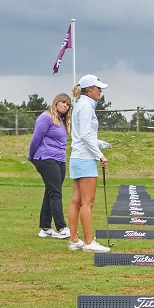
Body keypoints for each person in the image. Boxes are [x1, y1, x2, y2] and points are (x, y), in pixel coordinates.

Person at [66, 74, 111, 253]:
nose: (100, 91)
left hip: (77, 157)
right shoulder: (85, 106)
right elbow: (85, 135)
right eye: (98, 88)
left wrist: (99, 143)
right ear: (89, 89)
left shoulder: (81, 105)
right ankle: (88, 242)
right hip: (85, 159)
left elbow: (82, 135)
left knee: (76, 200)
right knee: (87, 202)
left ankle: (74, 240)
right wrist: (100, 155)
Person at [28, 93, 72, 239]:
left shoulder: (62, 120)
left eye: (68, 105)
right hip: (45, 158)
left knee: (51, 191)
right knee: (55, 193)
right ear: (56, 102)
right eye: (63, 103)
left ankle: (45, 227)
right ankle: (62, 228)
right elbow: (35, 139)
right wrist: (32, 157)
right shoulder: (45, 117)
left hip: (59, 159)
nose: (65, 106)